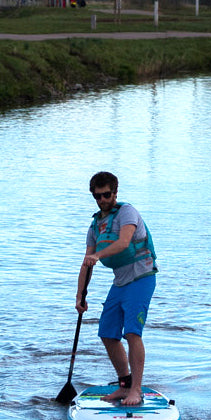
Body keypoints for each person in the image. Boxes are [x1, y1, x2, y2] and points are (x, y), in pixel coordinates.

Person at [76, 172, 158, 407]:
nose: (102, 200)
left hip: (142, 277)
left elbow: (123, 242)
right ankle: (124, 385)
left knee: (132, 332)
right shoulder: (95, 226)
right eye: (97, 196)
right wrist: (80, 295)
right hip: (120, 282)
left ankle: (136, 390)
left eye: (106, 195)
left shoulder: (127, 212)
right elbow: (86, 263)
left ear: (115, 192)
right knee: (107, 333)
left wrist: (97, 255)